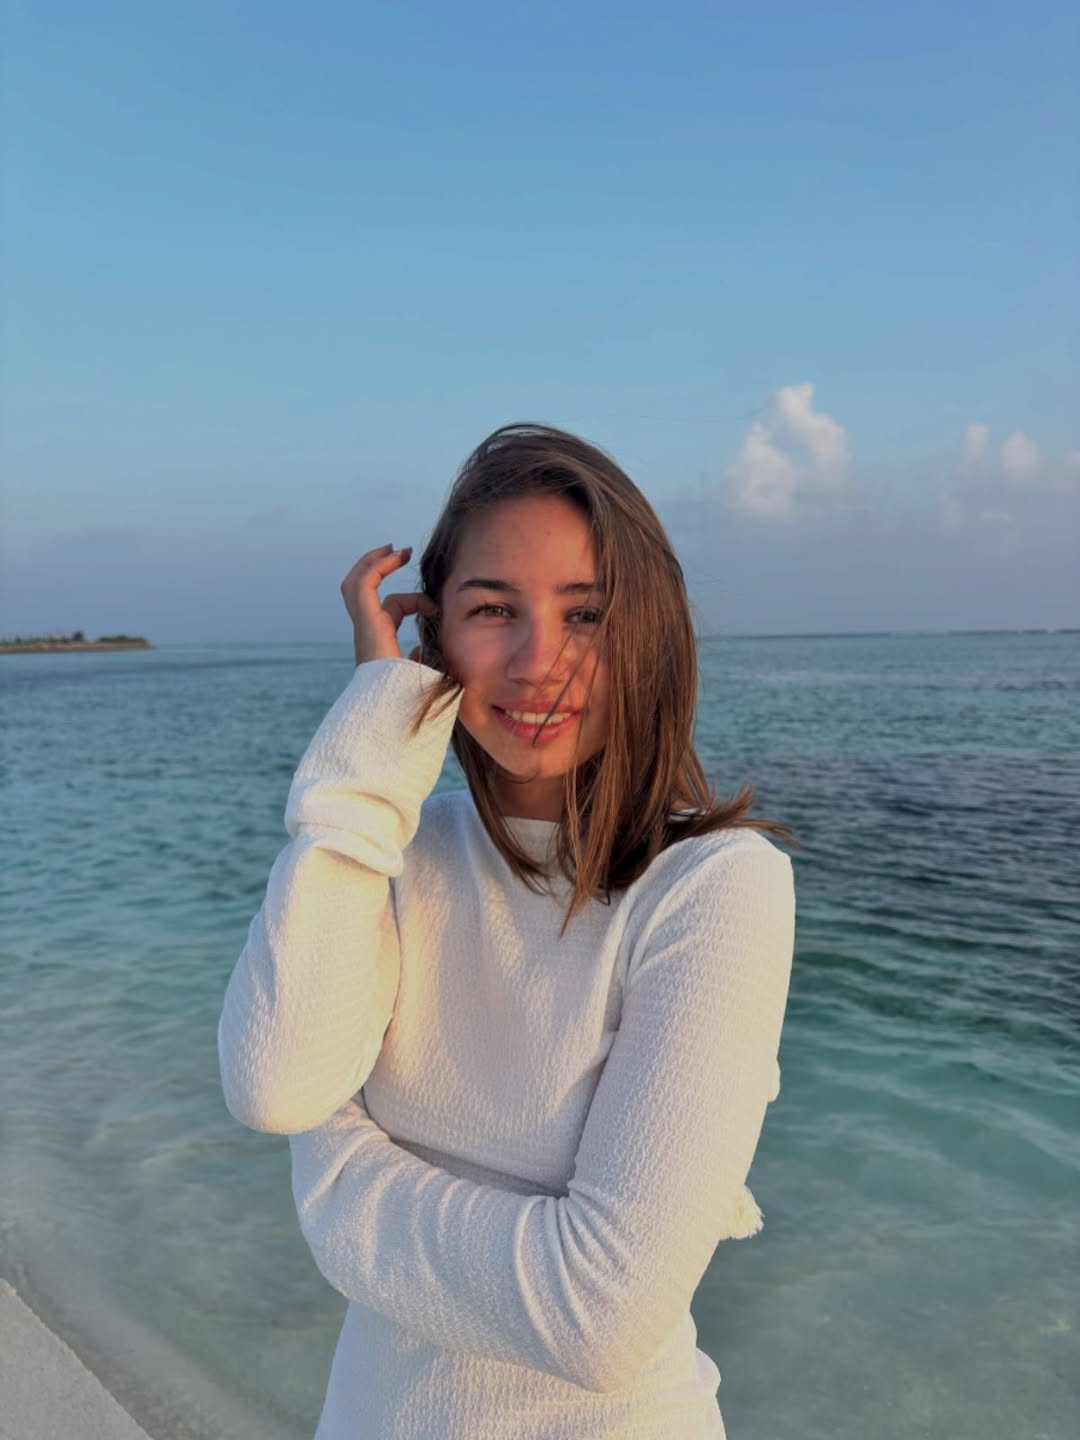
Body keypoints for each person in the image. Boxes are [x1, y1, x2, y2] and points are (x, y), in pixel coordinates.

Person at [218, 422, 796, 1440]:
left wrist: (336, 1175)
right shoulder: (392, 851)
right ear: (433, 634)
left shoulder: (713, 885)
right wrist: (374, 739)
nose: (539, 662)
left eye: (587, 613)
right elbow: (274, 1084)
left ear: (652, 637)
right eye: (493, 609)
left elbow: (599, 1317)